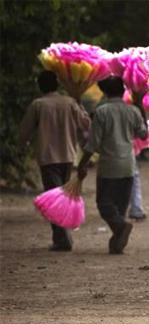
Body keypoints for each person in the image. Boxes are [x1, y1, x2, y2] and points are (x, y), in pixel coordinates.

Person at [20, 70, 90, 251]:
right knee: (63, 198)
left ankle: (62, 239)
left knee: (54, 199)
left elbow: (25, 131)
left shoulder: (38, 104)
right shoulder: (69, 102)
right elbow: (86, 123)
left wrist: (24, 143)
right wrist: (80, 104)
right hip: (67, 155)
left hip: (48, 157)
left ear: (40, 85)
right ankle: (63, 236)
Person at [77, 76, 147, 254]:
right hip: (128, 166)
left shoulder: (102, 111)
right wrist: (141, 110)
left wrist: (82, 163)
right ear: (123, 91)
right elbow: (144, 135)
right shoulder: (133, 111)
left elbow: (93, 144)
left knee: (104, 204)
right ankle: (117, 241)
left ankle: (121, 229)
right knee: (120, 207)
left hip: (108, 166)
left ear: (106, 92)